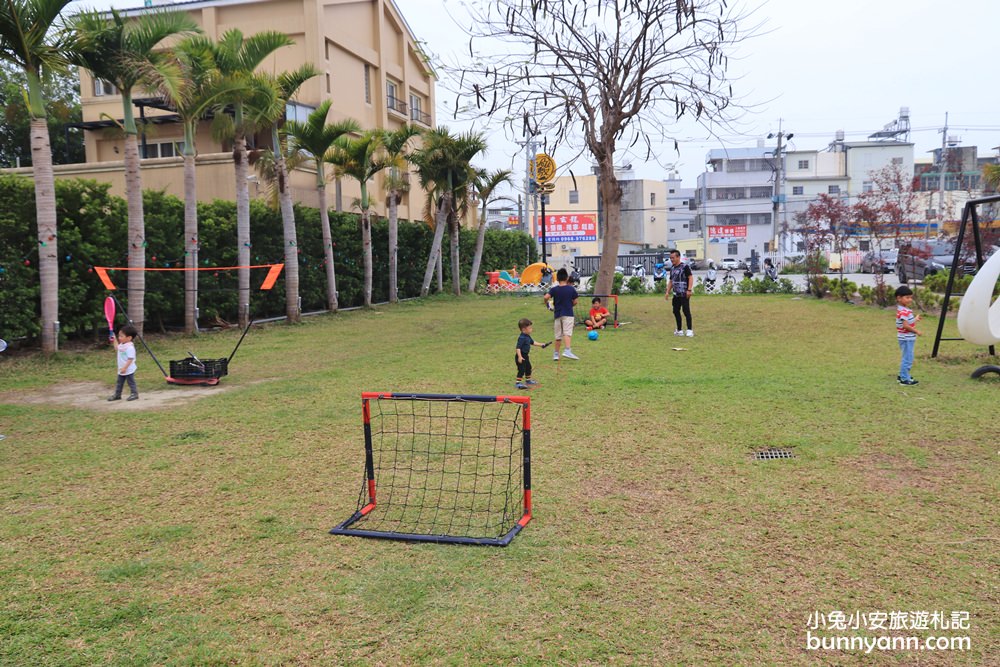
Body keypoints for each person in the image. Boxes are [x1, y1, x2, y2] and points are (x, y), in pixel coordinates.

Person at [543, 267, 579, 360]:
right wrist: (569, 305)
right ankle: (567, 350)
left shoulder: (554, 289)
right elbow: (575, 301)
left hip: (558, 314)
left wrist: (546, 303)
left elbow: (546, 297)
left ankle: (556, 354)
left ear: (557, 279)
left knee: (558, 335)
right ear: (567, 278)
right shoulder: (571, 289)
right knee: (567, 333)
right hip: (568, 314)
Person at [895, 285, 921, 385]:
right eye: (907, 297)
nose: (910, 300)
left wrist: (915, 319)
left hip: (906, 338)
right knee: (908, 358)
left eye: (911, 297)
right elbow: (905, 326)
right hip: (906, 338)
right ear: (899, 298)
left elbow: (907, 322)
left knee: (907, 357)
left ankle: (903, 375)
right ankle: (904, 378)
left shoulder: (904, 310)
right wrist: (916, 331)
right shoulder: (903, 311)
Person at [665, 249, 694, 337]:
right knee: (675, 311)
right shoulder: (672, 268)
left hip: (684, 294)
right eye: (670, 258)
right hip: (676, 295)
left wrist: (689, 290)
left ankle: (689, 330)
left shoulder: (685, 267)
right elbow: (671, 281)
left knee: (686, 311)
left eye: (673, 258)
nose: (672, 260)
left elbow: (690, 277)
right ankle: (679, 330)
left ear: (678, 257)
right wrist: (667, 292)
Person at [514, 318, 549, 389]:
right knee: (521, 369)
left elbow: (532, 342)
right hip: (521, 356)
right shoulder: (522, 338)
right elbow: (518, 348)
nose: (531, 329)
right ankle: (518, 383)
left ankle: (528, 380)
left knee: (528, 367)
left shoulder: (527, 336)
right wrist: (520, 357)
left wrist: (541, 344)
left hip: (526, 356)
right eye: (529, 328)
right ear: (524, 329)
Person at [108, 324, 139, 401]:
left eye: (121, 336)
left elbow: (130, 359)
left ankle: (134, 394)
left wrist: (125, 368)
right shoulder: (122, 345)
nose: (119, 338)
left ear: (129, 338)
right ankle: (117, 395)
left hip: (128, 369)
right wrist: (114, 339)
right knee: (119, 383)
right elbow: (116, 348)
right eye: (119, 336)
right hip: (122, 368)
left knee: (131, 382)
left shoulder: (130, 347)